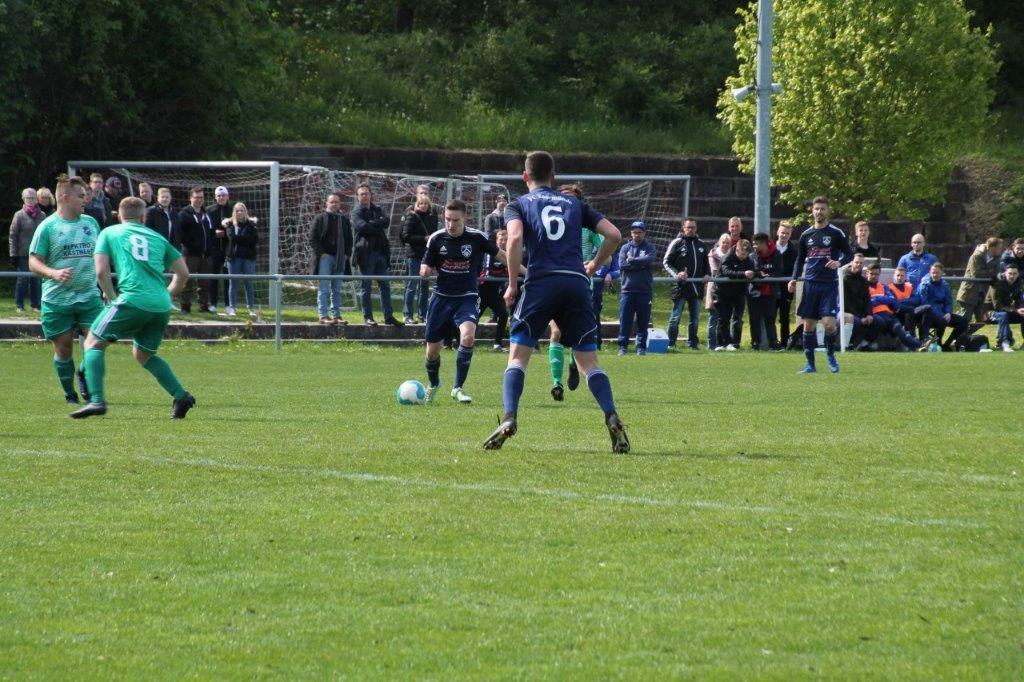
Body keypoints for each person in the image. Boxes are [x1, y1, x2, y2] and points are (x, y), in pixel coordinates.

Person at [483, 151, 628, 453]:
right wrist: (593, 266)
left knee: (517, 358)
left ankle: (509, 417)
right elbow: (614, 235)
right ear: (553, 176)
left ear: (525, 176)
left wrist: (512, 284)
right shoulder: (575, 204)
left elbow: (514, 239)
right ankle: (611, 414)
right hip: (575, 283)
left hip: (541, 283)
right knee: (589, 363)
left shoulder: (519, 204)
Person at [70, 197, 195, 419]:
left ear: (119, 215)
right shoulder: (157, 237)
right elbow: (183, 274)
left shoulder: (109, 232)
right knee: (143, 354)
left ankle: (96, 401)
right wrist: (166, 295)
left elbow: (101, 271)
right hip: (160, 305)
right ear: (143, 217)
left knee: (92, 343)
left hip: (133, 299)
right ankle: (181, 396)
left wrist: (111, 297)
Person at [28, 175, 103, 403]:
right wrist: (53, 273)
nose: (85, 200)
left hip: (89, 296)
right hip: (57, 300)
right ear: (64, 196)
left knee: (97, 343)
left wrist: (106, 287)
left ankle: (85, 374)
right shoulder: (48, 227)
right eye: (81, 196)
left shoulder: (91, 223)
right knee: (64, 350)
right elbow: (33, 262)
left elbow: (100, 257)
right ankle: (70, 394)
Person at [420, 199, 501, 404]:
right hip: (441, 298)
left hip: (467, 297)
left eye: (455, 220)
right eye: (447, 219)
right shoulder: (437, 238)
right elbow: (425, 264)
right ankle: (434, 383)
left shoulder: (477, 237)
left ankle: (457, 388)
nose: (451, 224)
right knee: (432, 351)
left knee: (468, 336)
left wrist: (527, 272)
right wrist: (425, 270)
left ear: (465, 217)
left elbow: (501, 254)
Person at [787, 196, 853, 373]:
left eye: (823, 209)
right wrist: (794, 278)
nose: (819, 212)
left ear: (828, 211)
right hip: (810, 284)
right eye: (816, 209)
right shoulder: (806, 235)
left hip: (828, 284)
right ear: (812, 211)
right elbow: (800, 259)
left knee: (829, 324)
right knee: (808, 325)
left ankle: (831, 354)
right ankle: (810, 365)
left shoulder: (836, 233)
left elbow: (849, 254)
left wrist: (838, 262)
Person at [549, 184, 603, 399]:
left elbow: (607, 250)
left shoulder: (588, 227)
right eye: (562, 197)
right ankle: (556, 382)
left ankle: (574, 363)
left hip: (581, 286)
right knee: (555, 332)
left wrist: (593, 263)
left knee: (577, 334)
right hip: (554, 284)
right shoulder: (550, 223)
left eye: (571, 198)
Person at [353, 183, 402, 327]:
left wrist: (372, 223)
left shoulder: (378, 209)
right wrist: (377, 225)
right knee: (366, 287)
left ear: (370, 195)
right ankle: (368, 317)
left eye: (366, 193)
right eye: (361, 194)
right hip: (365, 254)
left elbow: (386, 222)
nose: (364, 196)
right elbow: (362, 226)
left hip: (381, 253)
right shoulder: (356, 212)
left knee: (385, 286)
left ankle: (388, 316)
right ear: (357, 197)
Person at [663, 217, 709, 349]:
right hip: (680, 286)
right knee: (675, 316)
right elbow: (666, 262)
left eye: (693, 227)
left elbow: (706, 264)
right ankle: (671, 343)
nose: (691, 229)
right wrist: (677, 274)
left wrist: (707, 274)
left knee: (695, 318)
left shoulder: (702, 245)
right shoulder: (677, 243)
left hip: (696, 286)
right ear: (683, 228)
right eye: (688, 227)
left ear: (696, 228)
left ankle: (692, 343)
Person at [310, 193, 352, 325]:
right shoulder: (320, 218)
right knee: (323, 288)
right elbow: (312, 238)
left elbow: (349, 239)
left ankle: (336, 316)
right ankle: (323, 316)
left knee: (337, 289)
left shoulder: (343, 219)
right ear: (327, 203)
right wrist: (322, 254)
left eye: (336, 202)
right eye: (332, 202)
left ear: (340, 204)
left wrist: (347, 254)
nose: (334, 204)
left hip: (340, 258)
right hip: (325, 258)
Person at [617, 220, 656, 356]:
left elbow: (649, 260)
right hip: (627, 290)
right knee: (625, 320)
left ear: (644, 233)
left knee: (643, 321)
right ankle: (623, 347)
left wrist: (632, 260)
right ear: (631, 233)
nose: (637, 235)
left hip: (644, 291)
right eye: (634, 232)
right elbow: (622, 265)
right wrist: (640, 264)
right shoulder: (625, 248)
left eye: (639, 232)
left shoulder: (650, 247)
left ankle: (641, 348)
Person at [865, 261, 920, 350]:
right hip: (874, 313)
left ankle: (917, 346)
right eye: (872, 274)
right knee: (895, 326)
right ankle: (919, 345)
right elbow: (868, 302)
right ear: (867, 273)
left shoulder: (883, 286)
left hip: (888, 313)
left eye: (876, 274)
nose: (874, 276)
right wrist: (883, 299)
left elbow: (892, 300)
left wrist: (877, 299)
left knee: (898, 327)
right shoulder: (864, 286)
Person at [478, 228, 518, 351]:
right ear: (496, 241)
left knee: (503, 315)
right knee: (473, 318)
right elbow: (488, 273)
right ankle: (459, 342)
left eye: (506, 240)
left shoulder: (509, 255)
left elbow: (512, 272)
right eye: (501, 240)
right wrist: (503, 274)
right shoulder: (490, 253)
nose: (503, 242)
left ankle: (498, 344)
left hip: (494, 293)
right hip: (483, 291)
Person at [914, 262, 968, 351]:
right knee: (941, 320)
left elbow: (948, 302)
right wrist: (941, 315)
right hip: (928, 315)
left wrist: (948, 313)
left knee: (963, 321)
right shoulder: (924, 285)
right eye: (933, 272)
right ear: (930, 272)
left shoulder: (945, 285)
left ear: (942, 273)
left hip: (942, 313)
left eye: (937, 273)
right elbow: (925, 304)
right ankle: (934, 343)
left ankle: (948, 344)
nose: (935, 275)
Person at [177, 187, 214, 313]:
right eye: (196, 197)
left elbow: (210, 232)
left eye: (201, 197)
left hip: (206, 255)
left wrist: (210, 247)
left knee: (205, 282)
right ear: (190, 198)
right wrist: (191, 245)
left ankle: (204, 307)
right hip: (190, 255)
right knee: (187, 281)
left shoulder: (206, 214)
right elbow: (179, 234)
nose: (199, 200)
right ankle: (185, 307)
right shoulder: (184, 214)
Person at [716, 239, 756, 351]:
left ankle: (734, 344)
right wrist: (743, 273)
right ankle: (720, 344)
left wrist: (756, 274)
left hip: (738, 293)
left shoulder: (748, 259)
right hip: (722, 292)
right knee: (723, 318)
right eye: (742, 254)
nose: (744, 256)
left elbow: (753, 270)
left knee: (737, 319)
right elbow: (726, 272)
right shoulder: (727, 257)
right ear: (737, 249)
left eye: (746, 254)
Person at [400, 195, 435, 323]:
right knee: (412, 285)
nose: (423, 206)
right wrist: (423, 239)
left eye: (426, 203)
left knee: (424, 286)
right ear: (417, 205)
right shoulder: (412, 216)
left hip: (426, 255)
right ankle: (407, 315)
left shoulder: (432, 217)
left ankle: (423, 314)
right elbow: (406, 236)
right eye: (421, 203)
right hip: (414, 254)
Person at [10, 187, 45, 312]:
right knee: (22, 280)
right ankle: (19, 305)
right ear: (23, 199)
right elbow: (13, 236)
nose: (30, 200)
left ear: (37, 199)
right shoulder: (19, 215)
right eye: (28, 198)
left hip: (38, 253)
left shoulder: (42, 215)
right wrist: (13, 254)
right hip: (22, 253)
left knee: (36, 280)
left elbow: (45, 235)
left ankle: (35, 305)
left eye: (32, 198)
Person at [956, 237, 1002, 323]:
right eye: (999, 248)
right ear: (992, 248)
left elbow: (996, 274)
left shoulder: (997, 259)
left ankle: (968, 331)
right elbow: (976, 274)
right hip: (969, 292)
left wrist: (992, 275)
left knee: (981, 321)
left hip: (982, 293)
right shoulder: (976, 256)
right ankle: (958, 331)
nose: (1001, 250)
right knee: (965, 319)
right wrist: (991, 273)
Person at [224, 202, 258, 316]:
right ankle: (232, 307)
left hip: (248, 258)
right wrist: (245, 239)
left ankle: (251, 308)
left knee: (249, 282)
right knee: (233, 283)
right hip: (234, 258)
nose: (239, 213)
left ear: (245, 212)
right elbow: (232, 238)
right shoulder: (230, 225)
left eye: (241, 210)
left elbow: (255, 240)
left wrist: (241, 239)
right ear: (234, 212)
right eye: (237, 211)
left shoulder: (251, 225)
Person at [748, 232, 782, 350]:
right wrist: (759, 274)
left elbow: (779, 272)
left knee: (770, 319)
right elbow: (751, 272)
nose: (754, 246)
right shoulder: (752, 256)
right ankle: (755, 344)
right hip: (754, 293)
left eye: (756, 244)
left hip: (770, 293)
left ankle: (774, 343)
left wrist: (768, 276)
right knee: (754, 320)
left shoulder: (776, 255)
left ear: (764, 244)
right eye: (753, 244)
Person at [986, 263, 1024, 352]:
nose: (1012, 276)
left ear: (1018, 274)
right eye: (1010, 273)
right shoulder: (996, 284)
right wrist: (1016, 310)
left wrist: (1021, 309)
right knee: (1003, 315)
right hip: (988, 312)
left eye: (1014, 274)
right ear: (1005, 273)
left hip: (1007, 311)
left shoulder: (1018, 284)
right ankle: (1004, 343)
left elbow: (1019, 301)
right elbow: (997, 306)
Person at [206, 186, 232, 313]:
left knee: (228, 277)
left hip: (228, 249)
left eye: (223, 195)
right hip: (214, 249)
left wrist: (227, 233)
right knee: (213, 277)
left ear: (227, 196)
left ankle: (228, 305)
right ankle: (213, 304)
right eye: (219, 196)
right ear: (215, 197)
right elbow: (205, 228)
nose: (221, 198)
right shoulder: (209, 210)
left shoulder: (232, 210)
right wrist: (214, 233)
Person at [841, 253, 873, 349]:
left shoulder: (863, 281)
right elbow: (845, 302)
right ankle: (849, 344)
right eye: (856, 262)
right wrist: (861, 317)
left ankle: (864, 343)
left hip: (861, 312)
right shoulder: (844, 279)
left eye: (861, 263)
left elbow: (867, 299)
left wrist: (868, 314)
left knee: (879, 321)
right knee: (857, 322)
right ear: (851, 263)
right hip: (847, 311)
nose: (859, 265)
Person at [705, 233, 731, 350]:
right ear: (719, 243)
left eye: (727, 243)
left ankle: (724, 343)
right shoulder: (713, 254)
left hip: (728, 291)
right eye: (723, 242)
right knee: (713, 318)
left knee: (725, 319)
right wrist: (730, 273)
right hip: (715, 290)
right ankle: (711, 344)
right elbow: (715, 271)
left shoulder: (732, 255)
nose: (725, 244)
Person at [591, 243, 620, 350]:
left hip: (596, 295)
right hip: (582, 292)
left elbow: (618, 270)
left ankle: (596, 345)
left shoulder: (611, 254)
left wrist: (610, 274)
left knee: (595, 318)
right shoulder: (587, 252)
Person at [775, 221, 797, 348]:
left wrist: (793, 282)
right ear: (778, 232)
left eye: (787, 233)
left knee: (784, 317)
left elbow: (796, 269)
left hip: (786, 289)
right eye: (782, 232)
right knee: (770, 315)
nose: (784, 235)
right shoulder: (771, 248)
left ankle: (784, 343)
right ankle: (772, 342)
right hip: (772, 288)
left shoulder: (793, 251)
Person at [887, 265, 920, 336]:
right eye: (898, 275)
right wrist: (908, 300)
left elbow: (916, 300)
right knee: (910, 309)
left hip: (910, 311)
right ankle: (911, 335)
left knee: (927, 308)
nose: (899, 277)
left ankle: (924, 338)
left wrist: (903, 300)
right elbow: (895, 303)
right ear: (894, 276)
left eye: (902, 276)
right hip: (897, 312)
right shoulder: (889, 288)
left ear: (905, 277)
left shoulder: (909, 286)